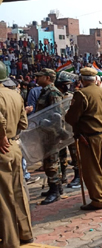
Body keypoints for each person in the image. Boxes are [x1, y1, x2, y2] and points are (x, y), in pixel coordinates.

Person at [65, 67, 102, 210]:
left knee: (92, 169)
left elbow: (72, 118)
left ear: (82, 80)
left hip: (90, 136)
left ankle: (98, 200)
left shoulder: (81, 94)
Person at [0, 62, 34, 247]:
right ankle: (25, 233)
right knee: (19, 191)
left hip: (2, 147)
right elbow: (23, 123)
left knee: (3, 198)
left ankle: (10, 241)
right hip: (14, 146)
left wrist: (1, 135)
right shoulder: (15, 95)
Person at [35, 68, 63, 205]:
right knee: (49, 162)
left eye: (39, 76)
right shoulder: (45, 92)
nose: (37, 78)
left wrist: (48, 128)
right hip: (45, 133)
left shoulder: (53, 93)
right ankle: (57, 187)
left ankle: (55, 191)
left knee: (51, 163)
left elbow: (57, 117)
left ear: (47, 78)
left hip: (51, 134)